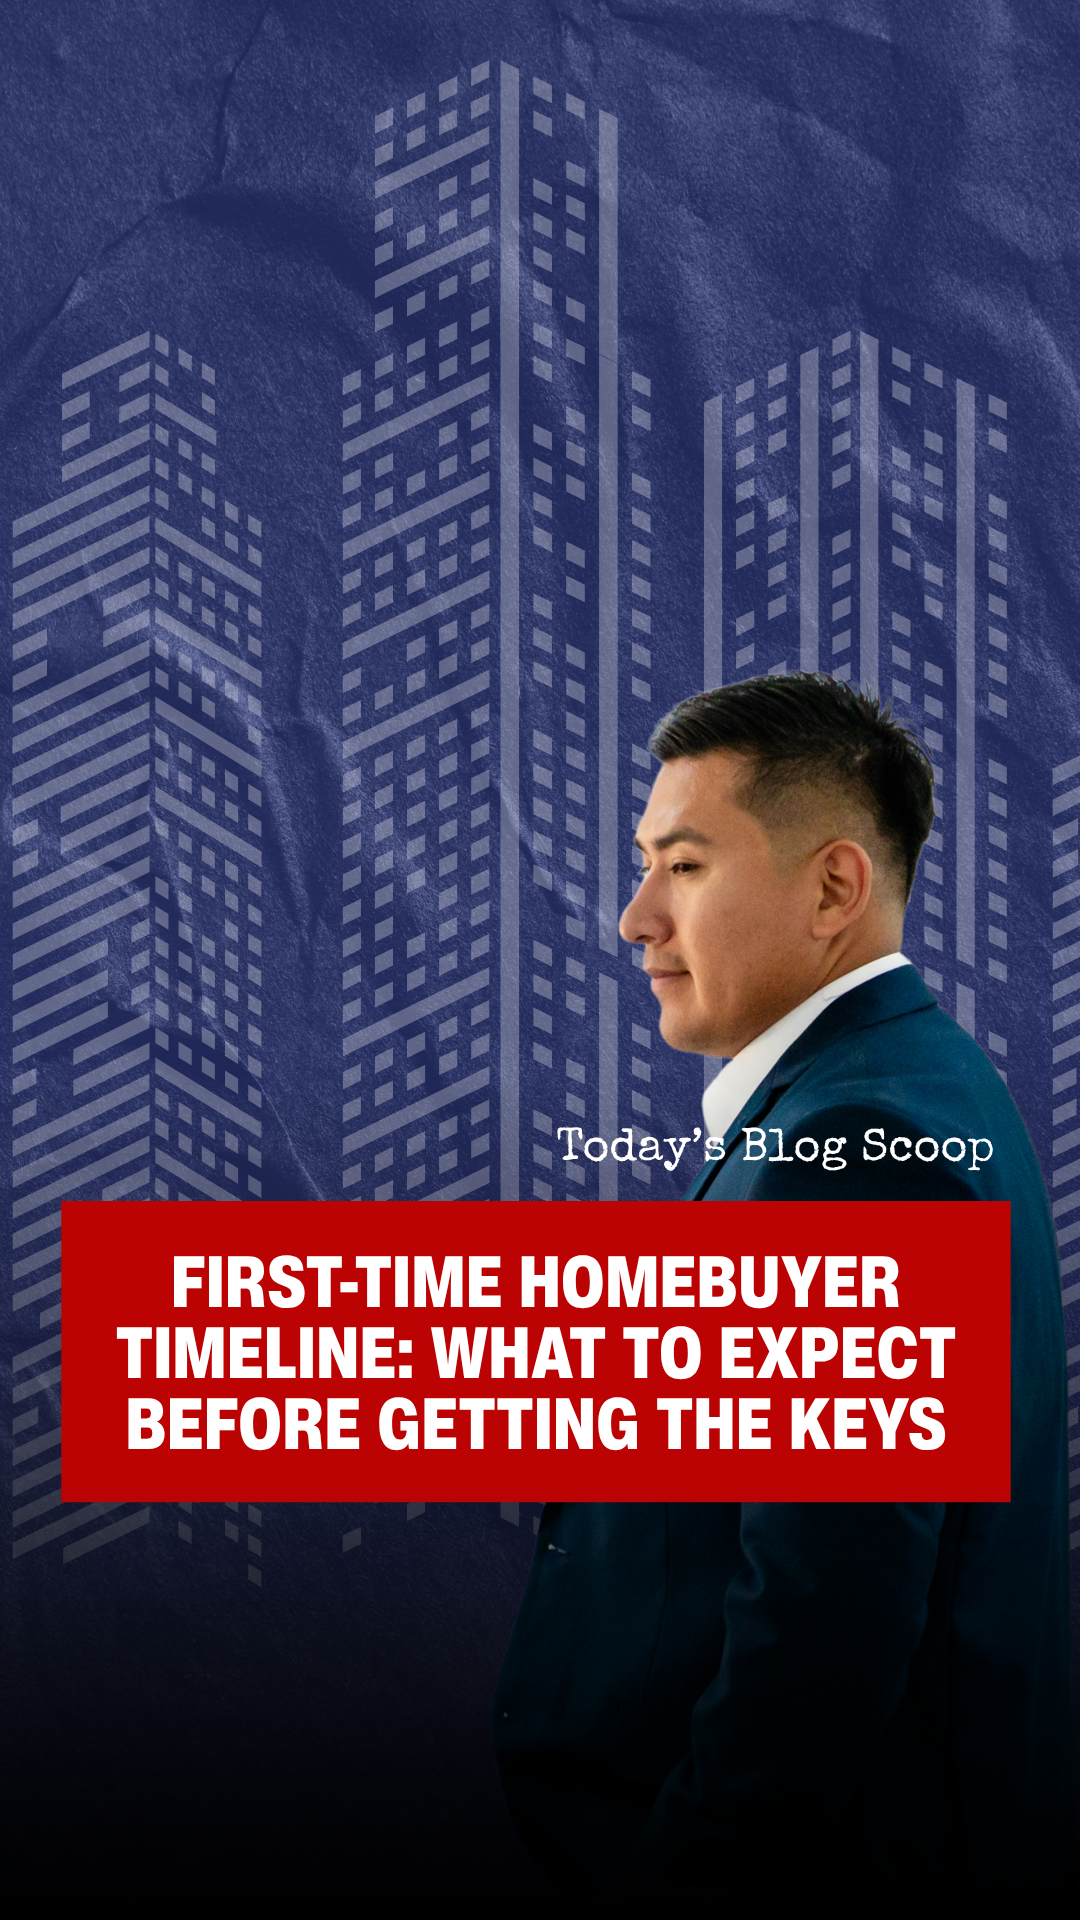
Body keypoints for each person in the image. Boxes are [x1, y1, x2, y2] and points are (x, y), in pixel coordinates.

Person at [494, 675, 1074, 1908]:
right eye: (644, 867)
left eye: (685, 867)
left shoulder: (856, 1144)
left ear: (833, 890)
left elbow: (824, 1630)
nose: (635, 918)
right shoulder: (901, 1088)